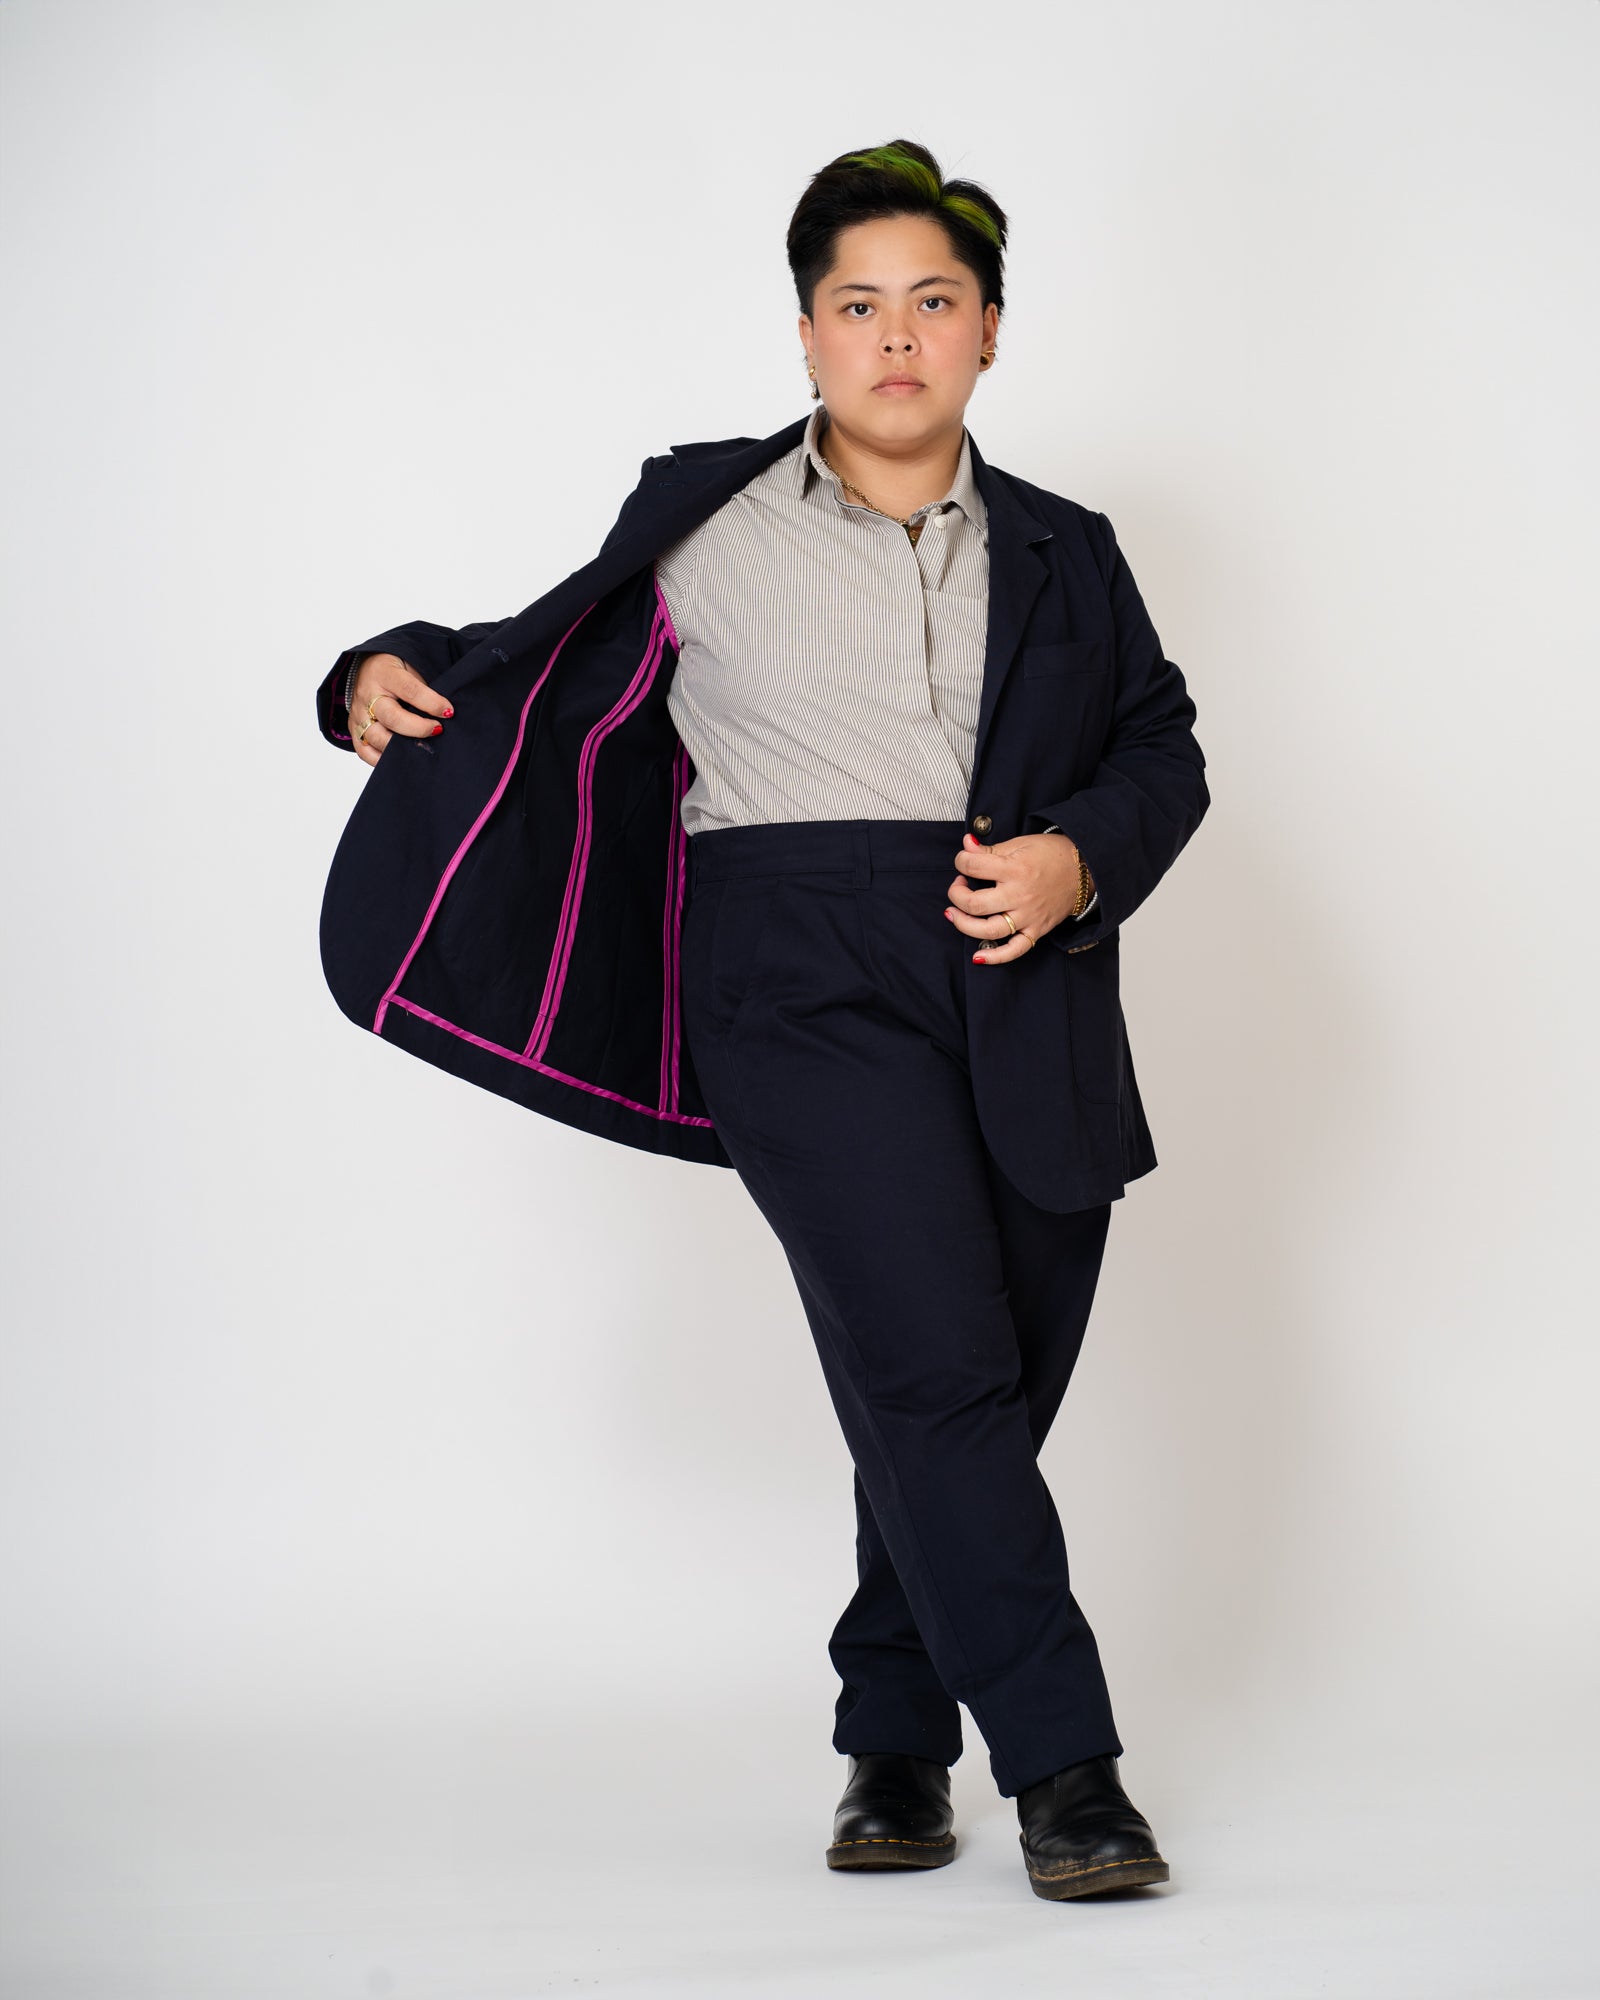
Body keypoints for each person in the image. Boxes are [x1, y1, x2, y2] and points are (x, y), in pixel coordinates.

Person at [316, 139, 1209, 1902]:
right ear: (808, 335)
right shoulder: (707, 520)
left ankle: (892, 1734)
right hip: (794, 976)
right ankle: (1070, 1773)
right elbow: (529, 643)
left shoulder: (1069, 549)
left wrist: (1076, 859)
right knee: (936, 1367)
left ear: (990, 331)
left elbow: (1160, 745)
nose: (898, 336)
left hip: (1026, 973)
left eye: (934, 302)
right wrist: (365, 664)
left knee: (980, 1382)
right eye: (859, 305)